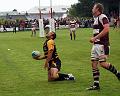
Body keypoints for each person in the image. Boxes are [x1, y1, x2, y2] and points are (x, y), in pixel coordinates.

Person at [87, 3, 120, 90]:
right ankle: (96, 85)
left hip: (102, 45)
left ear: (97, 9)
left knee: (103, 64)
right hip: (96, 45)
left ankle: (118, 73)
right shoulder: (96, 18)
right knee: (94, 64)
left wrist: (95, 38)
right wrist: (95, 40)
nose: (92, 9)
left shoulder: (103, 17)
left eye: (93, 7)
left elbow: (107, 29)